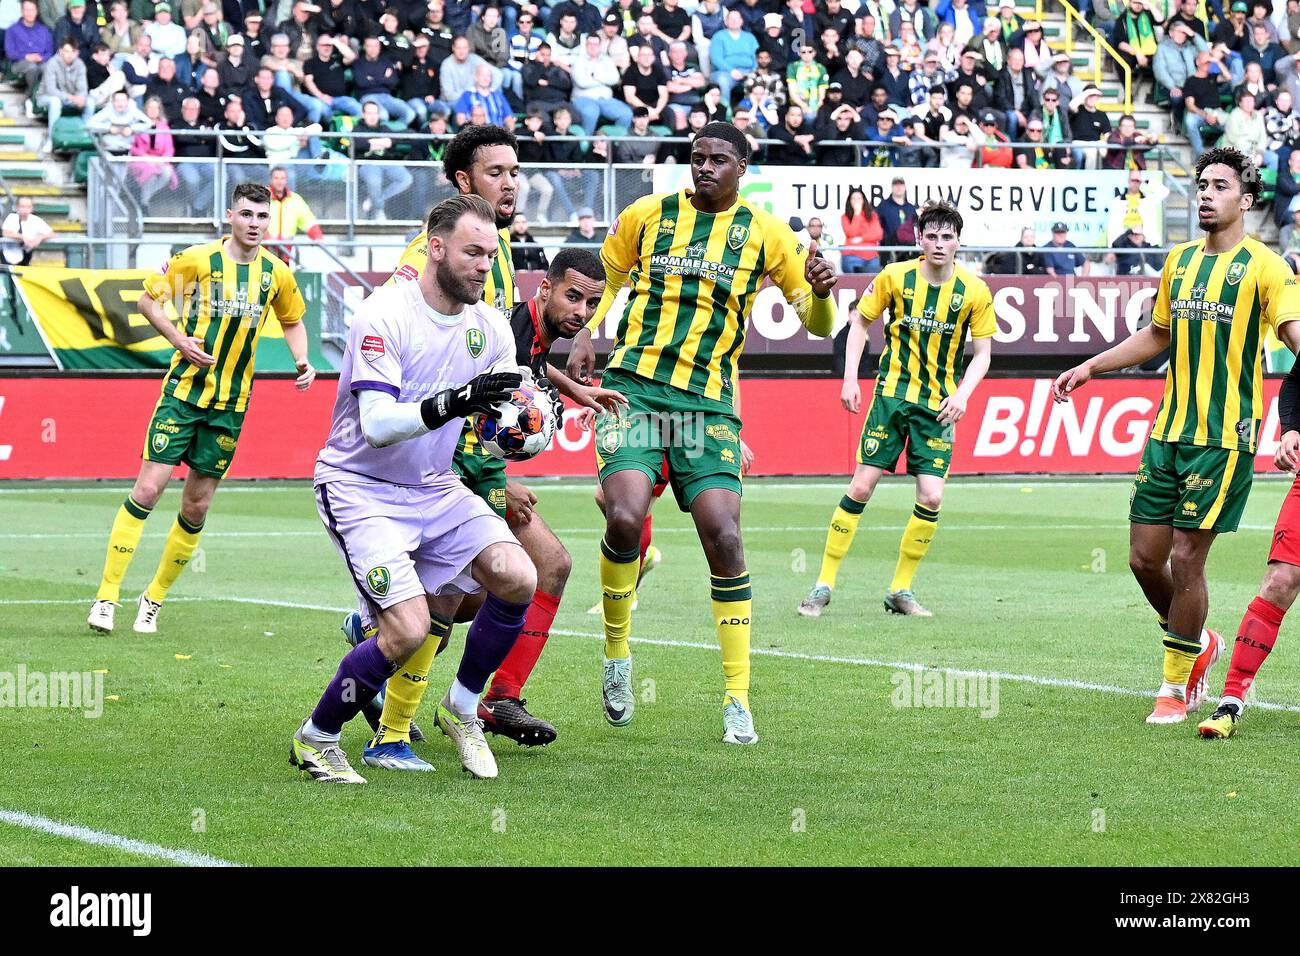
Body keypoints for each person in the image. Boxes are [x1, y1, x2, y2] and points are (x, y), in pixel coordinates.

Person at [564, 122, 838, 744]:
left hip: (709, 407)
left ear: (743, 167)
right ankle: (616, 654)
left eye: (718, 159)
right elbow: (605, 276)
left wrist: (823, 297)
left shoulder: (768, 234)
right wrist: (586, 328)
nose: (704, 167)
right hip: (632, 388)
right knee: (626, 517)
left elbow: (818, 325)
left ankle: (737, 698)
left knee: (725, 536)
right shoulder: (647, 214)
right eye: (697, 158)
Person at [341, 126, 601, 756]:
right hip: (434, 458)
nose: (511, 182)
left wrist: (555, 395)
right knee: (466, 591)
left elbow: (498, 358)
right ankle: (396, 725)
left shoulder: (499, 250)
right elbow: (402, 342)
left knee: (515, 579)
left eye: (515, 170)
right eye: (495, 172)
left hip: (472, 445)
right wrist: (468, 446)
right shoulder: (430, 258)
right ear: (463, 183)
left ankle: (477, 692)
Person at [1054, 146, 1300, 727]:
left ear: (1246, 198)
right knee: (1144, 560)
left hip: (1224, 438)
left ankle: (1174, 684)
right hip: (1169, 431)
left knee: (1189, 557)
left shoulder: (1267, 267)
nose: (1207, 194)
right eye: (1202, 184)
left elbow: (1294, 335)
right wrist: (1093, 366)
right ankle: (1198, 644)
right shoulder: (1181, 263)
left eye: (1219, 185)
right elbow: (1157, 334)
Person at [292, 195, 534, 784]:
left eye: (491, 255)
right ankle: (317, 738)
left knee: (517, 575)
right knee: (407, 629)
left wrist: (523, 429)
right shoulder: (384, 313)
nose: (484, 265)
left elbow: (505, 416)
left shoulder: (490, 326)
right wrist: (454, 402)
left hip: (433, 485)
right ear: (436, 248)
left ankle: (462, 706)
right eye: (472, 252)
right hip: (360, 485)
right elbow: (376, 425)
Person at [86, 182, 313, 636]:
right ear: (230, 215)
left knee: (197, 505)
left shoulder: (276, 273)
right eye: (247, 214)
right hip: (184, 394)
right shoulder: (197, 260)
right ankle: (106, 597)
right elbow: (147, 300)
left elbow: (292, 320)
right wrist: (179, 341)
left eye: (262, 216)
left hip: (231, 404)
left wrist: (302, 361)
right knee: (148, 490)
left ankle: (152, 601)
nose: (254, 224)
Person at [800, 201, 993, 621]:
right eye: (932, 236)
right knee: (861, 488)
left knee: (932, 495)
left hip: (939, 406)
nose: (939, 244)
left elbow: (983, 354)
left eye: (947, 237)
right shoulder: (894, 276)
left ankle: (900, 589)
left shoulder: (974, 291)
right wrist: (851, 376)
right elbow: (858, 323)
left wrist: (963, 394)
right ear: (919, 238)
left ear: (958, 242)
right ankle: (822, 584)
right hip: (890, 396)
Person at [38, 38, 90, 153]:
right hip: (46, 97)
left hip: (69, 98)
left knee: (90, 102)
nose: (69, 55)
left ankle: (85, 135)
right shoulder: (52, 63)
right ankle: (51, 139)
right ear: (60, 51)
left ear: (77, 53)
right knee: (55, 101)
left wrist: (81, 98)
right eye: (66, 51)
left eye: (72, 52)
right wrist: (72, 98)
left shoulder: (80, 64)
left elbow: (83, 88)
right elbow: (51, 90)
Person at [6, 0, 53, 91]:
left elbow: (50, 51)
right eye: (27, 10)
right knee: (32, 67)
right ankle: (31, 95)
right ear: (22, 11)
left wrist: (41, 58)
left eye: (32, 10)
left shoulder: (44, 30)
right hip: (19, 63)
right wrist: (26, 56)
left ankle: (48, 95)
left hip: (41, 62)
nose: (29, 13)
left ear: (37, 11)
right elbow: (10, 53)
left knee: (49, 67)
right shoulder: (12, 30)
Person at [1, 195, 53, 267]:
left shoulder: (35, 219)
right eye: (22, 206)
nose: (25, 209)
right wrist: (22, 237)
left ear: (32, 208)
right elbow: (6, 233)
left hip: (25, 256)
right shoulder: (12, 217)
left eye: (28, 207)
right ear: (17, 207)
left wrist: (40, 237)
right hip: (9, 256)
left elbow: (51, 233)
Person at [841, 186, 883, 272]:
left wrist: (861, 238)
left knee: (873, 282)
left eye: (859, 198)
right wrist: (857, 214)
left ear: (863, 200)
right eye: (853, 198)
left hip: (871, 257)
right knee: (855, 283)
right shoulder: (845, 217)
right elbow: (851, 233)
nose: (856, 201)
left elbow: (878, 234)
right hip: (852, 256)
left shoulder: (872, 215)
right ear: (850, 201)